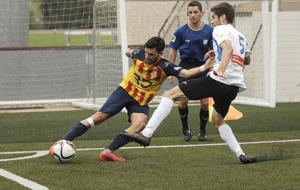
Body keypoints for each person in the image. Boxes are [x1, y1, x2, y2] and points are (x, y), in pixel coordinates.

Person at [125, 2, 256, 164]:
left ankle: (146, 134)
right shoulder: (241, 35)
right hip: (233, 87)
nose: (212, 21)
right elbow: (247, 60)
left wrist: (220, 69)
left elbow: (228, 48)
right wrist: (216, 53)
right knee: (217, 120)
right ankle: (240, 154)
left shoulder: (220, 29)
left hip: (219, 80)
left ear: (223, 17)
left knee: (169, 95)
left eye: (214, 17)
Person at [61, 36, 214, 162]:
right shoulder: (139, 53)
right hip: (125, 91)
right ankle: (63, 141)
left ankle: (108, 151)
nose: (147, 56)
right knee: (99, 117)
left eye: (152, 54)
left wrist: (204, 67)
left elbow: (186, 74)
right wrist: (129, 52)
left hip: (141, 101)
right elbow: (128, 52)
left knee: (140, 125)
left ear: (160, 54)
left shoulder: (166, 66)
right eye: (146, 53)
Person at [168, 1, 213, 141]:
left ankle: (202, 130)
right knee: (182, 101)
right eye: (190, 12)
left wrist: (213, 67)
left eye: (195, 12)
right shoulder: (180, 31)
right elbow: (173, 50)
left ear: (201, 13)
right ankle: (185, 129)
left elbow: (215, 50)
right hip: (185, 67)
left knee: (205, 102)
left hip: (203, 67)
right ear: (187, 13)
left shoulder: (210, 31)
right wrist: (171, 70)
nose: (193, 15)